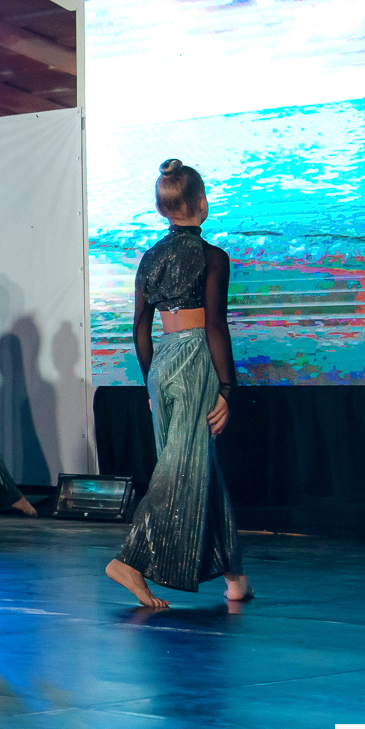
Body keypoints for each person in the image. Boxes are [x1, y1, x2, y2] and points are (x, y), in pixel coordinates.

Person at [105, 160, 251, 608]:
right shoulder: (212, 256)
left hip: (162, 361)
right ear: (202, 203)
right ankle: (130, 560)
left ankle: (235, 577)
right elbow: (214, 326)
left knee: (197, 465)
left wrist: (150, 381)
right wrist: (228, 387)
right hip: (194, 360)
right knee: (181, 466)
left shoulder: (150, 257)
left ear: (162, 208)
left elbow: (139, 327)